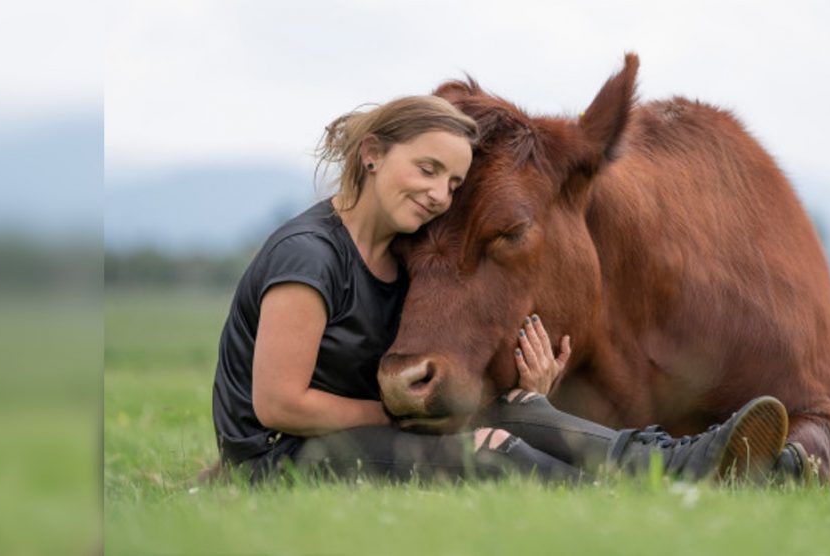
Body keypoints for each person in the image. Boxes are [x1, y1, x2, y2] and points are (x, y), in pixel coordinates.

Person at [210, 95, 791, 484]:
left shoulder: (397, 250)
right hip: (280, 455)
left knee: (520, 412)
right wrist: (399, 417)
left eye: (454, 182)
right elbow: (278, 405)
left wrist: (524, 391)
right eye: (427, 169)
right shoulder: (309, 256)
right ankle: (619, 493)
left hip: (355, 427)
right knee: (490, 446)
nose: (440, 194)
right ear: (372, 154)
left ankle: (690, 462)